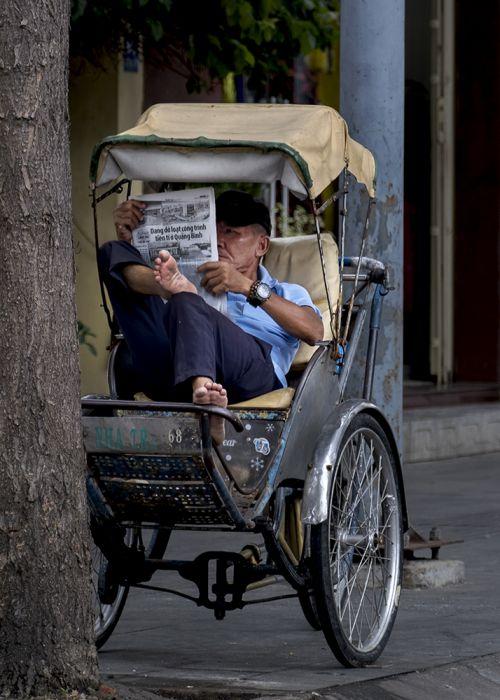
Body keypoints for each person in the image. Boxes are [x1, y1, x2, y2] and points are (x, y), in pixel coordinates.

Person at [98, 190, 323, 442]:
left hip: (251, 375)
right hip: (174, 368)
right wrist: (136, 243)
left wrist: (245, 286)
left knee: (186, 299)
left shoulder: (285, 291)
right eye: (214, 233)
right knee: (112, 252)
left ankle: (206, 400)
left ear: (261, 245)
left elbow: (314, 332)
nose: (219, 241)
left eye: (230, 232)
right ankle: (168, 287)